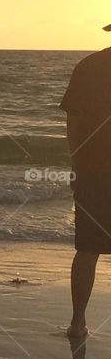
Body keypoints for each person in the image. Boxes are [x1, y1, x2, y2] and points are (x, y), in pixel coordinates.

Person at [61, 36, 111, 339]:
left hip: (92, 169)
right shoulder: (88, 66)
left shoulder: (88, 66)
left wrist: (77, 166)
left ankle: (77, 323)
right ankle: (77, 321)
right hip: (94, 169)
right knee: (87, 249)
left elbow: (73, 123)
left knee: (88, 248)